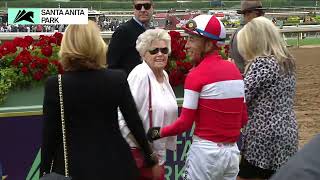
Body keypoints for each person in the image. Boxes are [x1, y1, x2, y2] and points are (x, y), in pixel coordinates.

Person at [40, 20, 161, 180]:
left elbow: (50, 136)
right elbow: (134, 122)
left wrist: (44, 172)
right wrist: (150, 157)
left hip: (74, 167)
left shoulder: (57, 84)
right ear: (98, 43)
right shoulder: (117, 78)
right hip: (117, 164)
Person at [147, 15, 248, 180]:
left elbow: (185, 123)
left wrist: (158, 132)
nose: (186, 45)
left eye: (192, 39)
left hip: (205, 155)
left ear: (209, 44)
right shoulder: (235, 71)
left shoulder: (196, 75)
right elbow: (243, 119)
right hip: (231, 155)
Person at [236, 17, 298, 180]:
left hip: (262, 138)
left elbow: (241, 96)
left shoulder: (262, 63)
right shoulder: (287, 62)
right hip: (287, 132)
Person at [119, 29, 178, 180]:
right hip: (141, 155)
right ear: (143, 54)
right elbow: (126, 118)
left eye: (164, 50)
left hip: (157, 154)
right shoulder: (140, 75)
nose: (160, 54)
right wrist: (150, 155)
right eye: (154, 50)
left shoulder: (164, 75)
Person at [107, 0, 154, 76]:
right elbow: (112, 63)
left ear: (152, 8)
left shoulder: (152, 30)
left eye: (146, 6)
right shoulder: (122, 31)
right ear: (134, 9)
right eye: (138, 7)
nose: (142, 10)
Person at [229, 0, 265, 73]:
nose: (261, 16)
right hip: (250, 77)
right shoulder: (248, 33)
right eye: (258, 13)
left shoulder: (237, 32)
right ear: (247, 14)